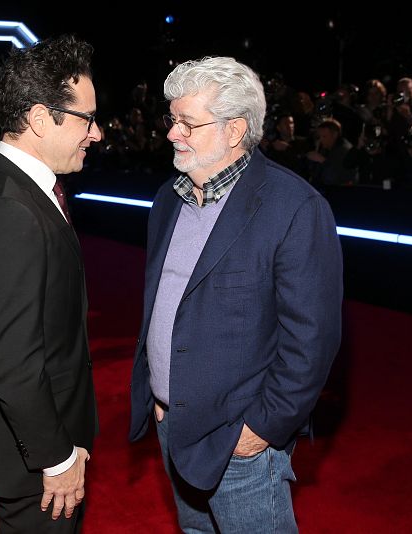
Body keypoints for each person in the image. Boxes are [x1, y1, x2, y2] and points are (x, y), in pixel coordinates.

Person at [129, 56, 343, 533]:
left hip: (239, 440)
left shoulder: (295, 207)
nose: (171, 133)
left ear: (234, 130)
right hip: (173, 424)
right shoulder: (168, 198)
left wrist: (262, 429)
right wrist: (161, 401)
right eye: (172, 119)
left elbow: (312, 339)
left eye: (187, 122)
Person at [0, 34, 100, 533]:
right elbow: (13, 364)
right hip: (35, 461)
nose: (97, 133)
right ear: (40, 119)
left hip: (47, 438)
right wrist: (56, 459)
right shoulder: (8, 210)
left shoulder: (25, 192)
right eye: (87, 118)